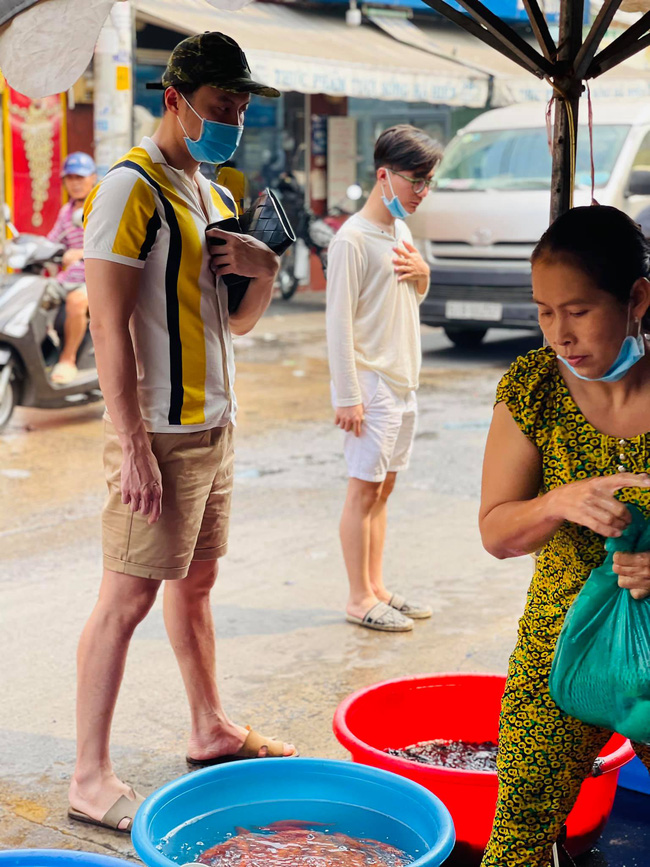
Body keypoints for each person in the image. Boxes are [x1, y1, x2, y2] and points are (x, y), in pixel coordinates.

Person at [68, 31, 295, 835]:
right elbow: (109, 323)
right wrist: (129, 439)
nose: (232, 116)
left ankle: (209, 726)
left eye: (239, 104)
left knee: (195, 584)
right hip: (158, 432)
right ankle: (89, 776)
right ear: (175, 99)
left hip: (214, 425)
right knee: (125, 596)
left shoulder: (215, 192)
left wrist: (264, 275)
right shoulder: (129, 189)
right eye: (220, 104)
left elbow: (232, 324)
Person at [479, 205, 650, 866]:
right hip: (563, 647)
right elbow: (497, 530)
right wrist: (559, 500)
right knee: (519, 834)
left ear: (637, 297)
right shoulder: (534, 389)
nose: (558, 334)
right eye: (544, 311)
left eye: (577, 310)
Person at [326, 125, 442, 632]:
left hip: (402, 381)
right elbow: (338, 324)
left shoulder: (400, 232)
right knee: (362, 490)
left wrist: (424, 275)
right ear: (383, 176)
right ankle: (357, 598)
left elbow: (406, 299)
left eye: (427, 182)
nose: (421, 192)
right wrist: (348, 396)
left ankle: (377, 587)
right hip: (370, 383)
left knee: (384, 489)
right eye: (415, 181)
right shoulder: (350, 240)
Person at [47, 151, 96, 384]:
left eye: (80, 177)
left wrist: (83, 252)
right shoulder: (65, 212)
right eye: (70, 178)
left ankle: (68, 360)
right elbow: (52, 242)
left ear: (93, 178)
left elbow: (116, 245)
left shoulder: (100, 206)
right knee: (35, 292)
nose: (75, 183)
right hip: (67, 278)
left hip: (95, 281)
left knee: (76, 301)